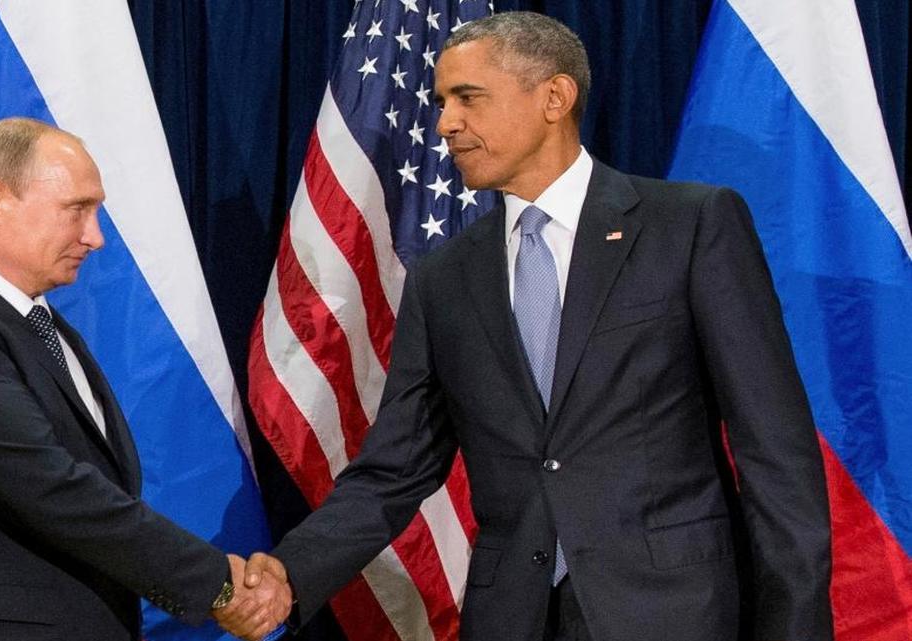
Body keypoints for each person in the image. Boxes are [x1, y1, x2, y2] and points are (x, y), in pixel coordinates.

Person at [246, 12, 832, 641]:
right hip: (513, 620)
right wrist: (291, 573)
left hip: (676, 612)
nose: (445, 122)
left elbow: (776, 457)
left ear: (555, 97)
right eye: (443, 101)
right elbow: (394, 469)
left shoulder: (688, 228)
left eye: (468, 98)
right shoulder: (443, 279)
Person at [0, 117, 287, 641]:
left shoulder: (41, 324)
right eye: (77, 210)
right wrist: (217, 585)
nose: (96, 237)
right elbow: (48, 487)